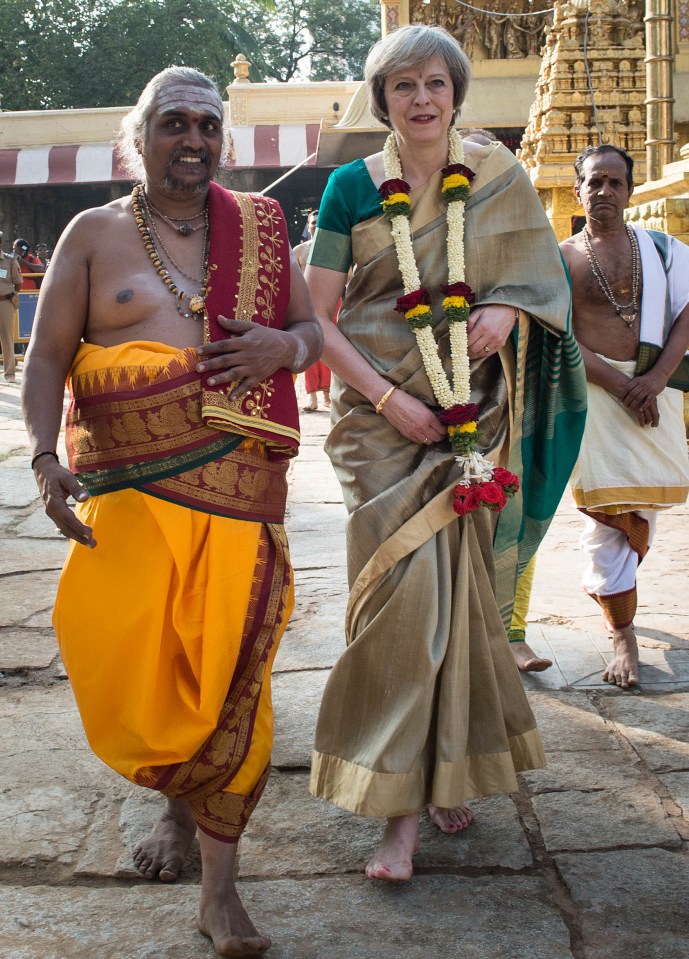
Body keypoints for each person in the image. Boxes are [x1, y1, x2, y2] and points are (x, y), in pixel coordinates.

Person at [21, 66, 322, 958]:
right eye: (173, 123)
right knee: (135, 664)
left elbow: (310, 333)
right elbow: (45, 363)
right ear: (138, 136)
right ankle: (174, 810)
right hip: (130, 496)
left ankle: (220, 892)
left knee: (233, 668)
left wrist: (283, 343)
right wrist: (42, 456)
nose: (192, 139)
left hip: (235, 491)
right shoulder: (92, 234)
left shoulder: (263, 229)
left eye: (207, 124)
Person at [304, 25, 587, 883]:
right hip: (378, 428)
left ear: (457, 94)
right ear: (381, 98)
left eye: (435, 83)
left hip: (471, 421)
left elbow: (543, 282)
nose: (421, 99)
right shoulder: (352, 188)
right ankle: (400, 790)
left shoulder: (494, 175)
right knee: (397, 608)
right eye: (402, 86)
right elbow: (316, 315)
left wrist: (509, 308)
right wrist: (391, 397)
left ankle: (427, 789)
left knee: (456, 603)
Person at [560, 144, 689, 690]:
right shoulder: (561, 257)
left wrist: (654, 380)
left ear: (630, 191)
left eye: (615, 182)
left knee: (644, 506)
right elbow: (557, 332)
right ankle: (623, 634)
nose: (604, 191)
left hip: (655, 392)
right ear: (578, 191)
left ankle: (616, 598)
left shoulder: (664, 250)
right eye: (594, 182)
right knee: (605, 521)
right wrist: (620, 383)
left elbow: (687, 311)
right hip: (596, 396)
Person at [295, 209, 331, 412]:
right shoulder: (299, 251)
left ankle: (328, 393)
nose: (315, 226)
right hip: (307, 306)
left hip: (332, 303)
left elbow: (351, 277)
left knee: (330, 348)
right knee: (310, 349)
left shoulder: (334, 248)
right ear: (307, 226)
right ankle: (312, 397)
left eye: (319, 222)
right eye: (312, 222)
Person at [0, 231, 23, 382]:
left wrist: (10, 294)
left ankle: (9, 373)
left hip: (4, 302)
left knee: (6, 337)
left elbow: (18, 282)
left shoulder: (9, 261)